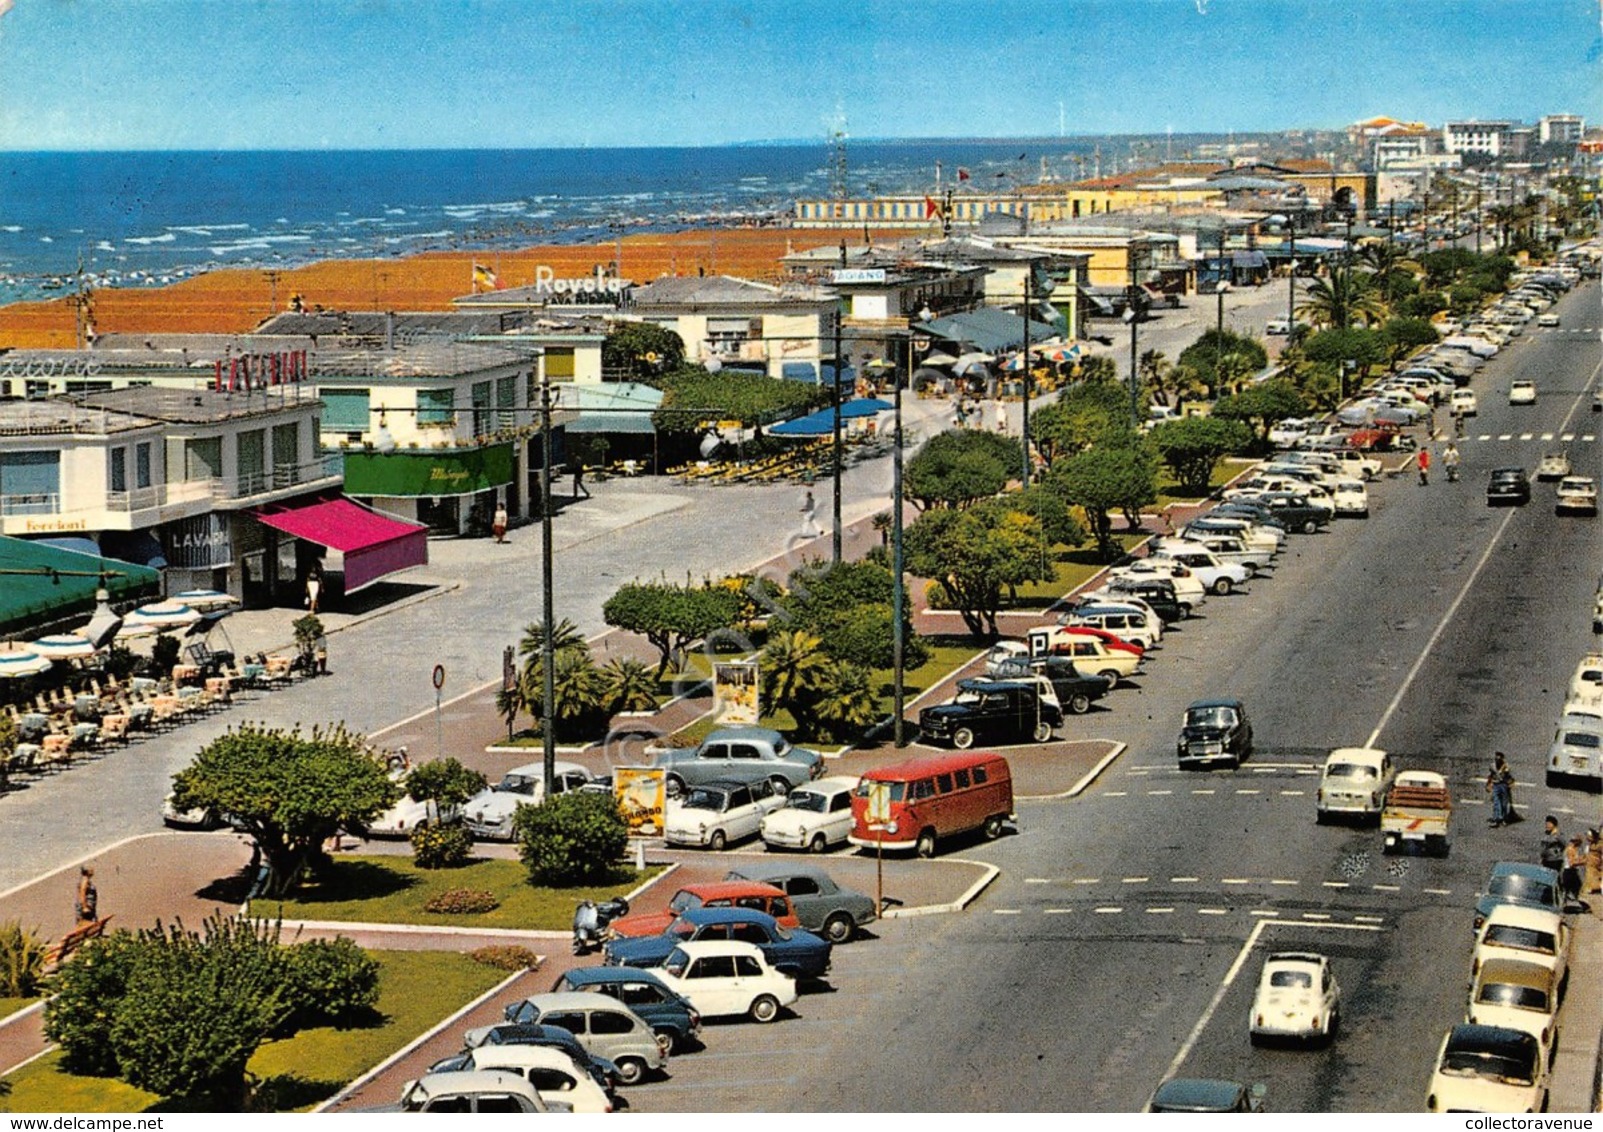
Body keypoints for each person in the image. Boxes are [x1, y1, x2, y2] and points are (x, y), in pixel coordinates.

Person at [1485, 752, 1515, 826]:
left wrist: (1510, 784)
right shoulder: (1492, 766)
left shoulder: (1506, 766)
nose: (1497, 760)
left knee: (1504, 804)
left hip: (1504, 785)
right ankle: (1496, 819)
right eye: (1496, 758)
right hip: (1496, 785)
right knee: (1496, 802)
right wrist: (1488, 783)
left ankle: (1504, 818)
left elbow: (1509, 777)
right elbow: (1491, 775)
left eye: (1499, 758)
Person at [1561, 835, 1586, 905]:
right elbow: (1572, 863)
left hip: (1570, 871)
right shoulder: (1570, 850)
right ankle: (1570, 903)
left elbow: (1575, 859)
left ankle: (1567, 902)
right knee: (1576, 887)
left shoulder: (1573, 849)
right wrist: (1584, 862)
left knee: (1569, 889)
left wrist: (1582, 858)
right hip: (1570, 872)